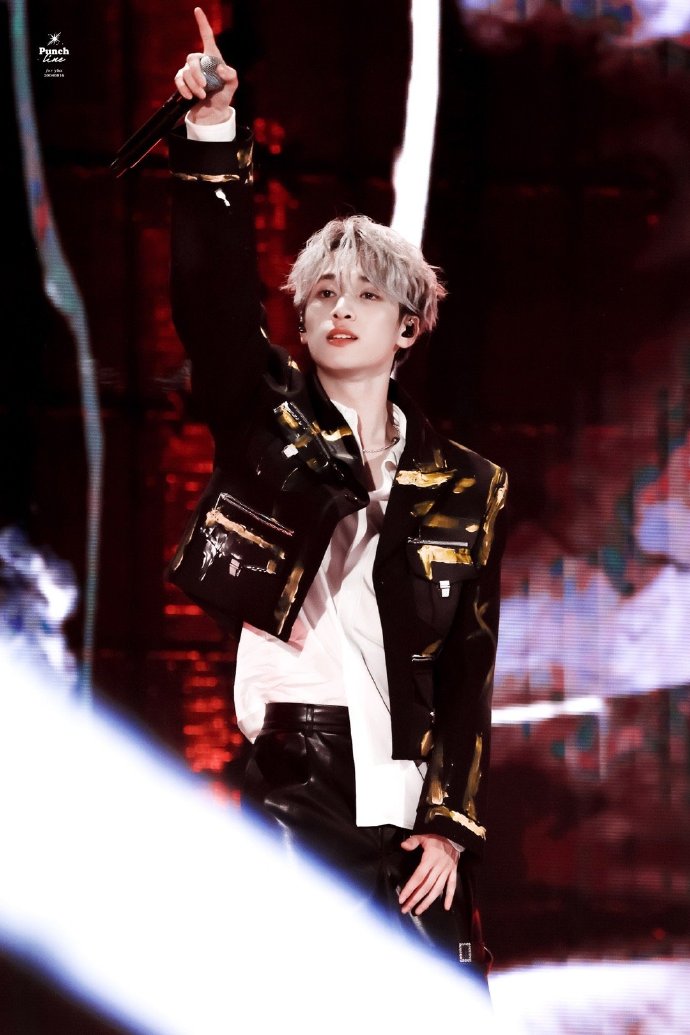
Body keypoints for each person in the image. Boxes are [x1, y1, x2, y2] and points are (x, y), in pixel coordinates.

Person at [168, 6, 508, 979]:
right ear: (304, 320)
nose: (341, 308)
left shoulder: (467, 482)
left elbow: (469, 665)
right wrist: (212, 131)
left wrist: (450, 824)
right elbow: (211, 304)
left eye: (366, 293)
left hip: (410, 806)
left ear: (409, 326)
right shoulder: (262, 419)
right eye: (323, 294)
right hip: (296, 778)